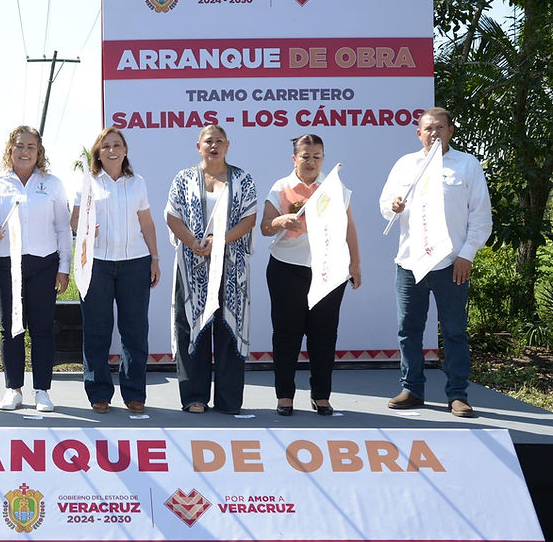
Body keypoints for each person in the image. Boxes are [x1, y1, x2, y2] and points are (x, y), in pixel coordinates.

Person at [379, 106, 492, 418]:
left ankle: (457, 394)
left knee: (454, 330)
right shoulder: (405, 165)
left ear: (450, 131)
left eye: (440, 128)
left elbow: (481, 218)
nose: (434, 133)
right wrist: (394, 206)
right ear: (419, 133)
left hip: (451, 264)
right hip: (410, 262)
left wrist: (467, 254)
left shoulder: (467, 165)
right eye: (428, 129)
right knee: (408, 329)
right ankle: (412, 389)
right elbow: (385, 206)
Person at [260, 134, 361, 416]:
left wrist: (355, 264)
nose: (311, 162)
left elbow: (348, 226)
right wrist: (281, 220)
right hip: (286, 269)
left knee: (323, 335)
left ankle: (321, 395)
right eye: (305, 156)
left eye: (317, 157)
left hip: (328, 270)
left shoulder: (333, 187)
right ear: (294, 158)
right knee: (286, 334)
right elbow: (265, 226)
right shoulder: (281, 187)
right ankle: (284, 396)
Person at [0, 125, 71, 413]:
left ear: (39, 151)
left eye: (31, 147)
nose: (25, 151)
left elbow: (63, 227)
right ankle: (13, 389)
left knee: (42, 329)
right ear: (10, 149)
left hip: (44, 264)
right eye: (19, 146)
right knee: (11, 329)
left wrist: (64, 266)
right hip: (7, 264)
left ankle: (42, 390)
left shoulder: (52, 184)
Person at [165, 125, 257, 414]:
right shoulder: (183, 179)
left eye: (219, 141)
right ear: (198, 146)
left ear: (228, 146)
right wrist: (193, 241)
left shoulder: (242, 178)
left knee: (229, 329)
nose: (214, 146)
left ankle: (229, 400)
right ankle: (194, 396)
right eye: (209, 141)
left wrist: (221, 241)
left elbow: (249, 218)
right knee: (191, 328)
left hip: (231, 268)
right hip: (192, 266)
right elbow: (172, 215)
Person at [70, 127, 160, 414]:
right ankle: (98, 392)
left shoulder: (137, 183)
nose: (112, 150)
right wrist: (86, 229)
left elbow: (146, 223)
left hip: (135, 262)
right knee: (97, 330)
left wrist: (154, 258)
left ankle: (134, 394)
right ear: (98, 152)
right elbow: (74, 222)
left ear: (125, 150)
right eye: (106, 145)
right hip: (96, 264)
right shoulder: (87, 183)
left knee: (135, 330)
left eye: (117, 145)